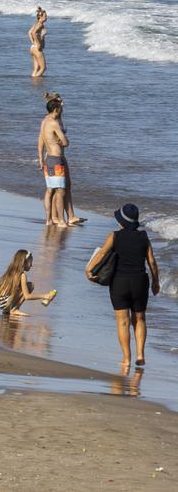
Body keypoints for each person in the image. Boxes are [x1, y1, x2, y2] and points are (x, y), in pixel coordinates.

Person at [85, 204, 162, 369]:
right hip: (140, 282)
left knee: (123, 322)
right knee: (139, 319)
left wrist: (89, 269)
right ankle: (140, 354)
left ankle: (126, 359)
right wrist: (156, 282)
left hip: (119, 282)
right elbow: (152, 262)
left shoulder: (114, 236)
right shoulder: (143, 237)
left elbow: (102, 254)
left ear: (122, 222)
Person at [37, 96, 83, 227]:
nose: (63, 108)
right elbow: (66, 142)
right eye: (61, 107)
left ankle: (50, 219)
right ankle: (61, 221)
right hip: (56, 159)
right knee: (60, 191)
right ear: (56, 109)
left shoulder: (45, 121)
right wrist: (62, 140)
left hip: (50, 159)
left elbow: (41, 140)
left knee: (50, 190)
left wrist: (40, 158)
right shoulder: (54, 123)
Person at [0, 250, 56, 319]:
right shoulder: (22, 275)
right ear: (24, 262)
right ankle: (14, 309)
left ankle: (7, 311)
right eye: (30, 262)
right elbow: (27, 296)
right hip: (5, 302)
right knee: (30, 286)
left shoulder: (10, 271)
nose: (31, 265)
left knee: (22, 287)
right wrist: (45, 296)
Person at [29, 7, 47, 78]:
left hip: (33, 48)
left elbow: (29, 32)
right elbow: (33, 33)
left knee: (37, 68)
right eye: (45, 16)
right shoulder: (40, 24)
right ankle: (35, 81)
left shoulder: (36, 23)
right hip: (37, 49)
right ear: (40, 17)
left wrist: (33, 42)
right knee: (43, 68)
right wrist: (38, 43)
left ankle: (33, 81)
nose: (46, 17)